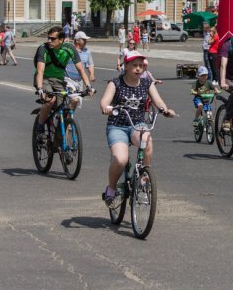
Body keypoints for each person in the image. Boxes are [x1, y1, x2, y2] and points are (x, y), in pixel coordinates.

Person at [99, 50, 175, 209]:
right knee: (121, 160)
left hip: (137, 125)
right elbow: (104, 101)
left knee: (147, 141)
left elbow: (158, 101)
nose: (138, 68)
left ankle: (143, 178)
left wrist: (166, 110)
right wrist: (106, 107)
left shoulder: (147, 83)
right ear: (126, 66)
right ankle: (111, 188)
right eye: (134, 65)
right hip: (117, 125)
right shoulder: (115, 83)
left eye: (141, 65)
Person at [34, 26, 93, 136]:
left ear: (61, 40)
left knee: (63, 105)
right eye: (48, 38)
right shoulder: (43, 48)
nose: (49, 41)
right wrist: (40, 89)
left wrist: (89, 86)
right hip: (44, 78)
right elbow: (40, 71)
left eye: (53, 39)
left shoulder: (69, 48)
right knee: (50, 100)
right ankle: (40, 125)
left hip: (59, 80)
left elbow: (81, 69)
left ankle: (60, 132)